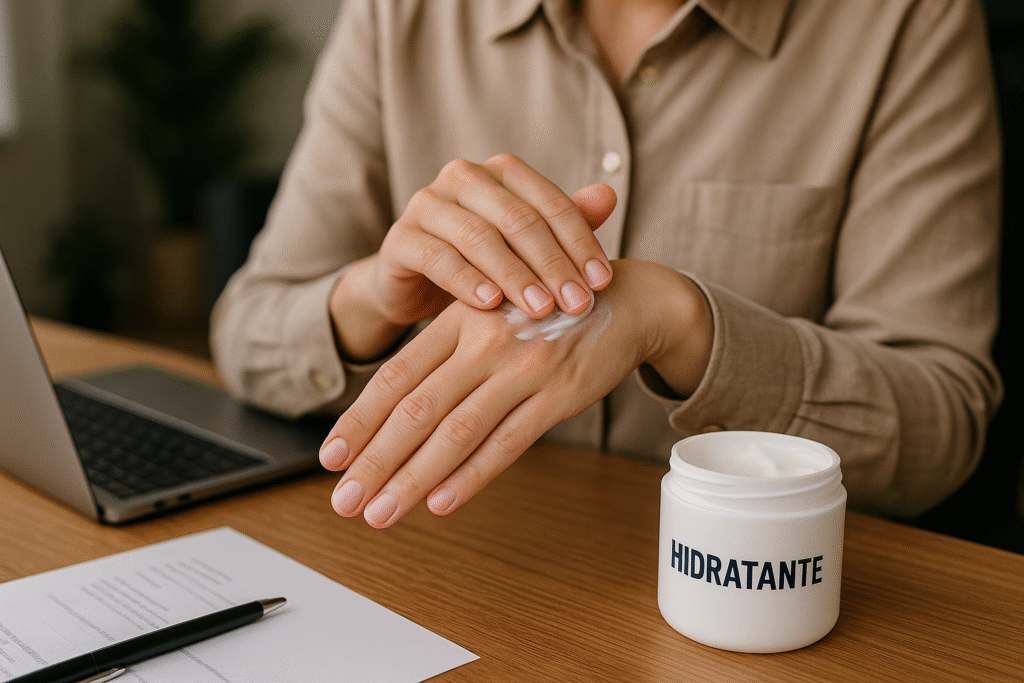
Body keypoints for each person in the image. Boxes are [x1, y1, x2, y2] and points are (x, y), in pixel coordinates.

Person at [211, 0, 1003, 529]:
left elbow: (941, 426)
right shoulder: (402, 15)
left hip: (738, 601)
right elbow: (246, 327)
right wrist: (374, 297)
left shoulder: (906, 19)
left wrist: (683, 323)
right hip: (449, 562)